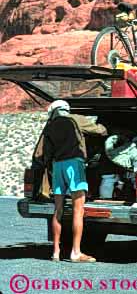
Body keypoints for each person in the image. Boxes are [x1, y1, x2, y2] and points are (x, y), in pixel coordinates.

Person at [43, 100, 107, 263]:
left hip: (57, 166)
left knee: (58, 210)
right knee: (78, 210)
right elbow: (100, 130)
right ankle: (76, 253)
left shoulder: (50, 126)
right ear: (66, 109)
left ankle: (56, 252)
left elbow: (46, 153)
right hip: (74, 164)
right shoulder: (75, 119)